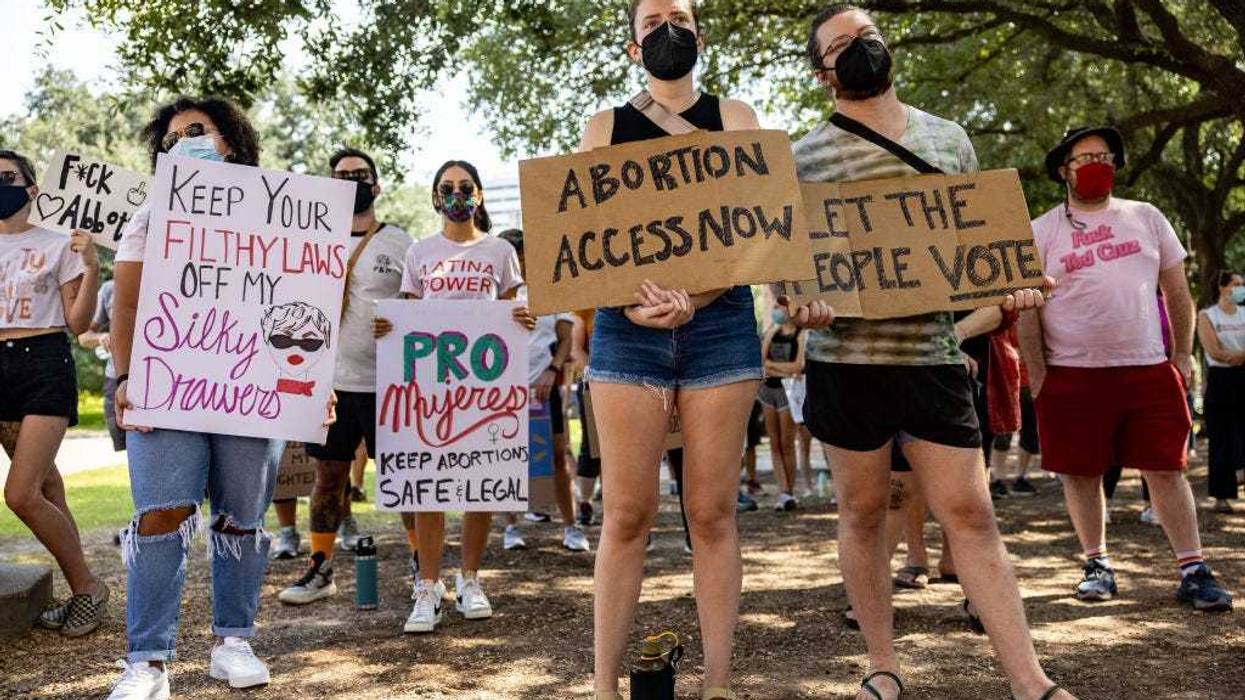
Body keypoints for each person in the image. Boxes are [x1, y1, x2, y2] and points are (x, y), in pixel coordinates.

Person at [794, 7, 1071, 700]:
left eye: (866, 37)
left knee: (971, 515)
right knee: (862, 514)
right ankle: (881, 667)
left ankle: (1029, 681)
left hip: (934, 359)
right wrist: (801, 302)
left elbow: (976, 252)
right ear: (821, 73)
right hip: (846, 364)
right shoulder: (801, 159)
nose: (860, 50)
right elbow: (792, 267)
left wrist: (1012, 287)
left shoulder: (949, 140)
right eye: (841, 46)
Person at [577, 3, 828, 697]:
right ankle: (602, 686)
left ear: (700, 37)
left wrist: (699, 295)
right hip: (626, 328)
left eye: (681, 18)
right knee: (625, 515)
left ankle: (717, 682)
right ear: (633, 47)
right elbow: (587, 236)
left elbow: (756, 226)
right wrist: (635, 304)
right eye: (654, 19)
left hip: (720, 326)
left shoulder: (737, 118)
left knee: (711, 514)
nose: (669, 28)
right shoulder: (604, 127)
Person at [105, 97, 335, 699]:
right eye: (171, 138)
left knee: (242, 515)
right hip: (166, 387)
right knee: (162, 510)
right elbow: (125, 305)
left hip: (250, 392)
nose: (183, 142)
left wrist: (318, 383)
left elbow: (307, 302)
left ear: (230, 140)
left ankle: (234, 641)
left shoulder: (281, 213)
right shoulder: (149, 215)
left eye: (197, 130)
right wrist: (126, 377)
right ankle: (147, 663)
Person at [1018, 124, 1233, 613]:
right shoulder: (1040, 230)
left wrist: (1181, 355)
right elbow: (1027, 308)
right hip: (1070, 373)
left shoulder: (1147, 217)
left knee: (1166, 468)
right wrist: (1038, 373)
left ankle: (1193, 569)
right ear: (1063, 170)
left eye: (1106, 157)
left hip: (1147, 369)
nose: (1098, 165)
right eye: (1085, 158)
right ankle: (1096, 564)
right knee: (1081, 474)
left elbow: (1177, 291)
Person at [374, 159, 534, 634]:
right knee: (429, 485)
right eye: (447, 187)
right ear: (435, 197)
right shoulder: (420, 252)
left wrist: (524, 319)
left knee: (481, 482)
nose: (456, 194)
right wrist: (388, 329)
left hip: (484, 390)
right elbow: (408, 314)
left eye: (466, 187)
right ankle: (428, 585)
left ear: (479, 196)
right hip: (431, 389)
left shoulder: (499, 251)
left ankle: (470, 579)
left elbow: (513, 307)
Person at [278, 147, 414, 605]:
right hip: (330, 384)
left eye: (360, 175)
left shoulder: (401, 243)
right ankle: (320, 568)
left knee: (404, 479)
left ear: (376, 185)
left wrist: (401, 321)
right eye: (342, 176)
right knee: (327, 477)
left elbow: (423, 305)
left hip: (388, 384)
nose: (352, 182)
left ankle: (422, 566)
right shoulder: (313, 241)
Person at [0, 148, 107, 637]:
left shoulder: (61, 242)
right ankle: (79, 593)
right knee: (46, 488)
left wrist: (92, 267)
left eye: (7, 177)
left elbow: (78, 323)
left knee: (20, 494)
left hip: (42, 362)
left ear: (31, 188)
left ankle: (89, 587)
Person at [497, 227, 591, 553]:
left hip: (542, 387)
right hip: (503, 390)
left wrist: (553, 369)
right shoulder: (492, 293)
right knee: (504, 456)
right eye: (510, 257)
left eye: (521, 256)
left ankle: (571, 526)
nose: (517, 263)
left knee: (558, 454)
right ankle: (511, 526)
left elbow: (565, 338)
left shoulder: (549, 289)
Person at [1196, 271, 1245, 513]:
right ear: (1222, 287)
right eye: (1236, 284)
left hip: (1242, 377)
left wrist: (1235, 357)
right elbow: (1213, 350)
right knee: (1220, 437)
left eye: (1242, 284)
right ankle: (1222, 496)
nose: (1240, 288)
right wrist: (1236, 357)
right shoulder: (1208, 316)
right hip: (1220, 380)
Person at [759, 304, 806, 511]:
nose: (777, 310)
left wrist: (772, 367)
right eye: (775, 307)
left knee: (787, 444)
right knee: (774, 443)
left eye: (781, 307)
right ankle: (783, 490)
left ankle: (790, 492)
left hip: (789, 392)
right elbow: (762, 361)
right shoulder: (772, 331)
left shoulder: (801, 334)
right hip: (768, 391)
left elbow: (798, 366)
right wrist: (779, 369)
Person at [79, 278, 126, 453]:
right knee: (125, 449)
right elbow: (83, 336)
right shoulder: (109, 289)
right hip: (116, 379)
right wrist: (101, 337)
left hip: (158, 379)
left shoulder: (164, 281)